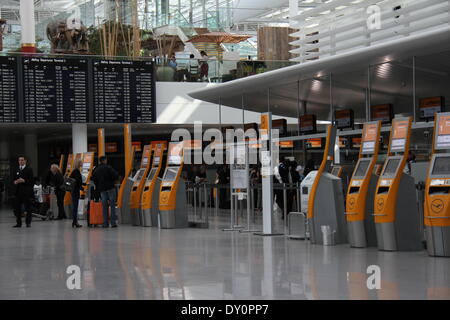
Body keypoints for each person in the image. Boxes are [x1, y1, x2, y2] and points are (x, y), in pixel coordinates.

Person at [92, 156, 119, 228]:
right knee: (112, 205)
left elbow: (94, 179)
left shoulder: (97, 169)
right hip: (110, 188)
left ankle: (105, 223)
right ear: (105, 160)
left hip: (102, 190)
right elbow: (116, 175)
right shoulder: (108, 167)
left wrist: (98, 186)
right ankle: (113, 223)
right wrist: (113, 181)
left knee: (104, 206)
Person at [12, 155, 34, 228]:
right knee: (17, 209)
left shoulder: (29, 169)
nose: (20, 161)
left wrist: (24, 180)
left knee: (28, 208)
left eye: (22, 160)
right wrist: (15, 182)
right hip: (18, 192)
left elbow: (32, 181)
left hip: (26, 192)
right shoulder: (16, 169)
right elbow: (13, 180)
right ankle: (18, 223)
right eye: (19, 160)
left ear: (25, 161)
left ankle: (28, 223)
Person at [69, 159, 83, 228]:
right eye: (81, 162)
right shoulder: (76, 171)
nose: (82, 163)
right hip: (75, 191)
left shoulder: (74, 171)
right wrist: (82, 187)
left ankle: (74, 221)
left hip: (73, 190)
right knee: (75, 207)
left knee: (75, 206)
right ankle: (75, 222)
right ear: (79, 163)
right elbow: (77, 181)